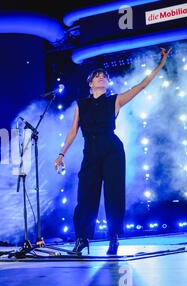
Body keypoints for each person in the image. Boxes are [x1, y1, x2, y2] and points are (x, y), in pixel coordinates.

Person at [54, 48, 172, 255]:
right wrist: (61, 154)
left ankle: (114, 238)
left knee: (113, 195)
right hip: (90, 151)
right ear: (90, 83)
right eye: (97, 76)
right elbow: (73, 131)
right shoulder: (81, 104)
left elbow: (141, 86)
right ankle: (81, 239)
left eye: (104, 76)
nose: (101, 78)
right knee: (85, 197)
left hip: (112, 150)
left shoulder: (115, 100)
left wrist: (161, 63)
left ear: (107, 83)